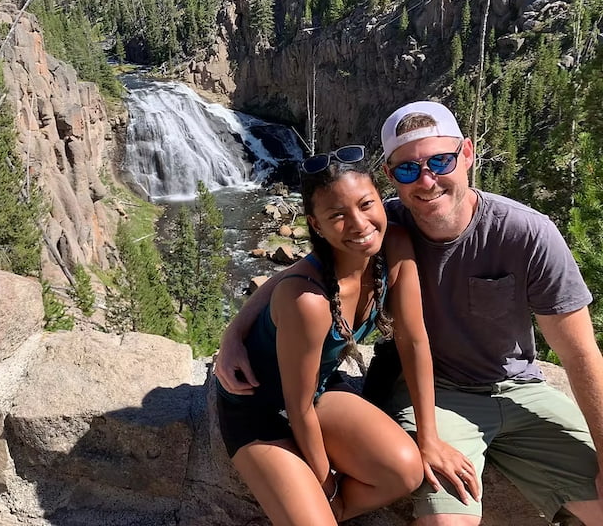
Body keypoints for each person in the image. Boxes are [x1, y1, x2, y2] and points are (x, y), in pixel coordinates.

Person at [216, 101, 603, 525]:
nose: (426, 180)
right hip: (302, 404)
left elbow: (579, 355)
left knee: (404, 470)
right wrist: (233, 334)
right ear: (390, 177)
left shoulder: (505, 233)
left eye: (440, 161)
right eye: (407, 169)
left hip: (505, 388)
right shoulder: (374, 235)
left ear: (467, 154)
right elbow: (301, 278)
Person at [216, 145, 475, 525]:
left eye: (366, 204)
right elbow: (297, 407)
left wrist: (429, 439)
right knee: (319, 507)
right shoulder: (309, 298)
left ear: (380, 201)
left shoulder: (396, 246)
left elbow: (414, 341)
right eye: (338, 215)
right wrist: (328, 485)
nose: (358, 224)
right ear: (316, 224)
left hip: (317, 387)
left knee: (406, 471)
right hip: (257, 407)